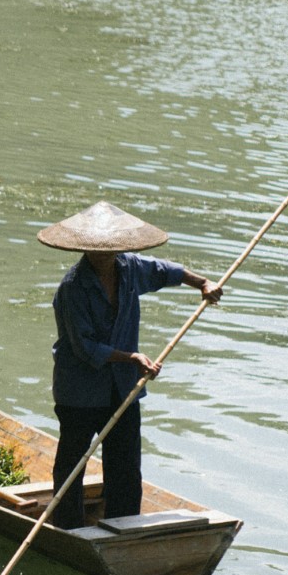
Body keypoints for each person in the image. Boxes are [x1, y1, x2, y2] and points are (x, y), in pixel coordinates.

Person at [39, 201, 222, 529]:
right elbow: (85, 347)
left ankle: (122, 526)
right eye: (96, 250)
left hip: (122, 389)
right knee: (73, 463)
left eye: (109, 249)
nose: (104, 255)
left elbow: (168, 272)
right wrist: (132, 357)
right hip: (79, 391)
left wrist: (203, 283)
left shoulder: (130, 268)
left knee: (124, 464)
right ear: (85, 249)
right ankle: (67, 527)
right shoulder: (73, 288)